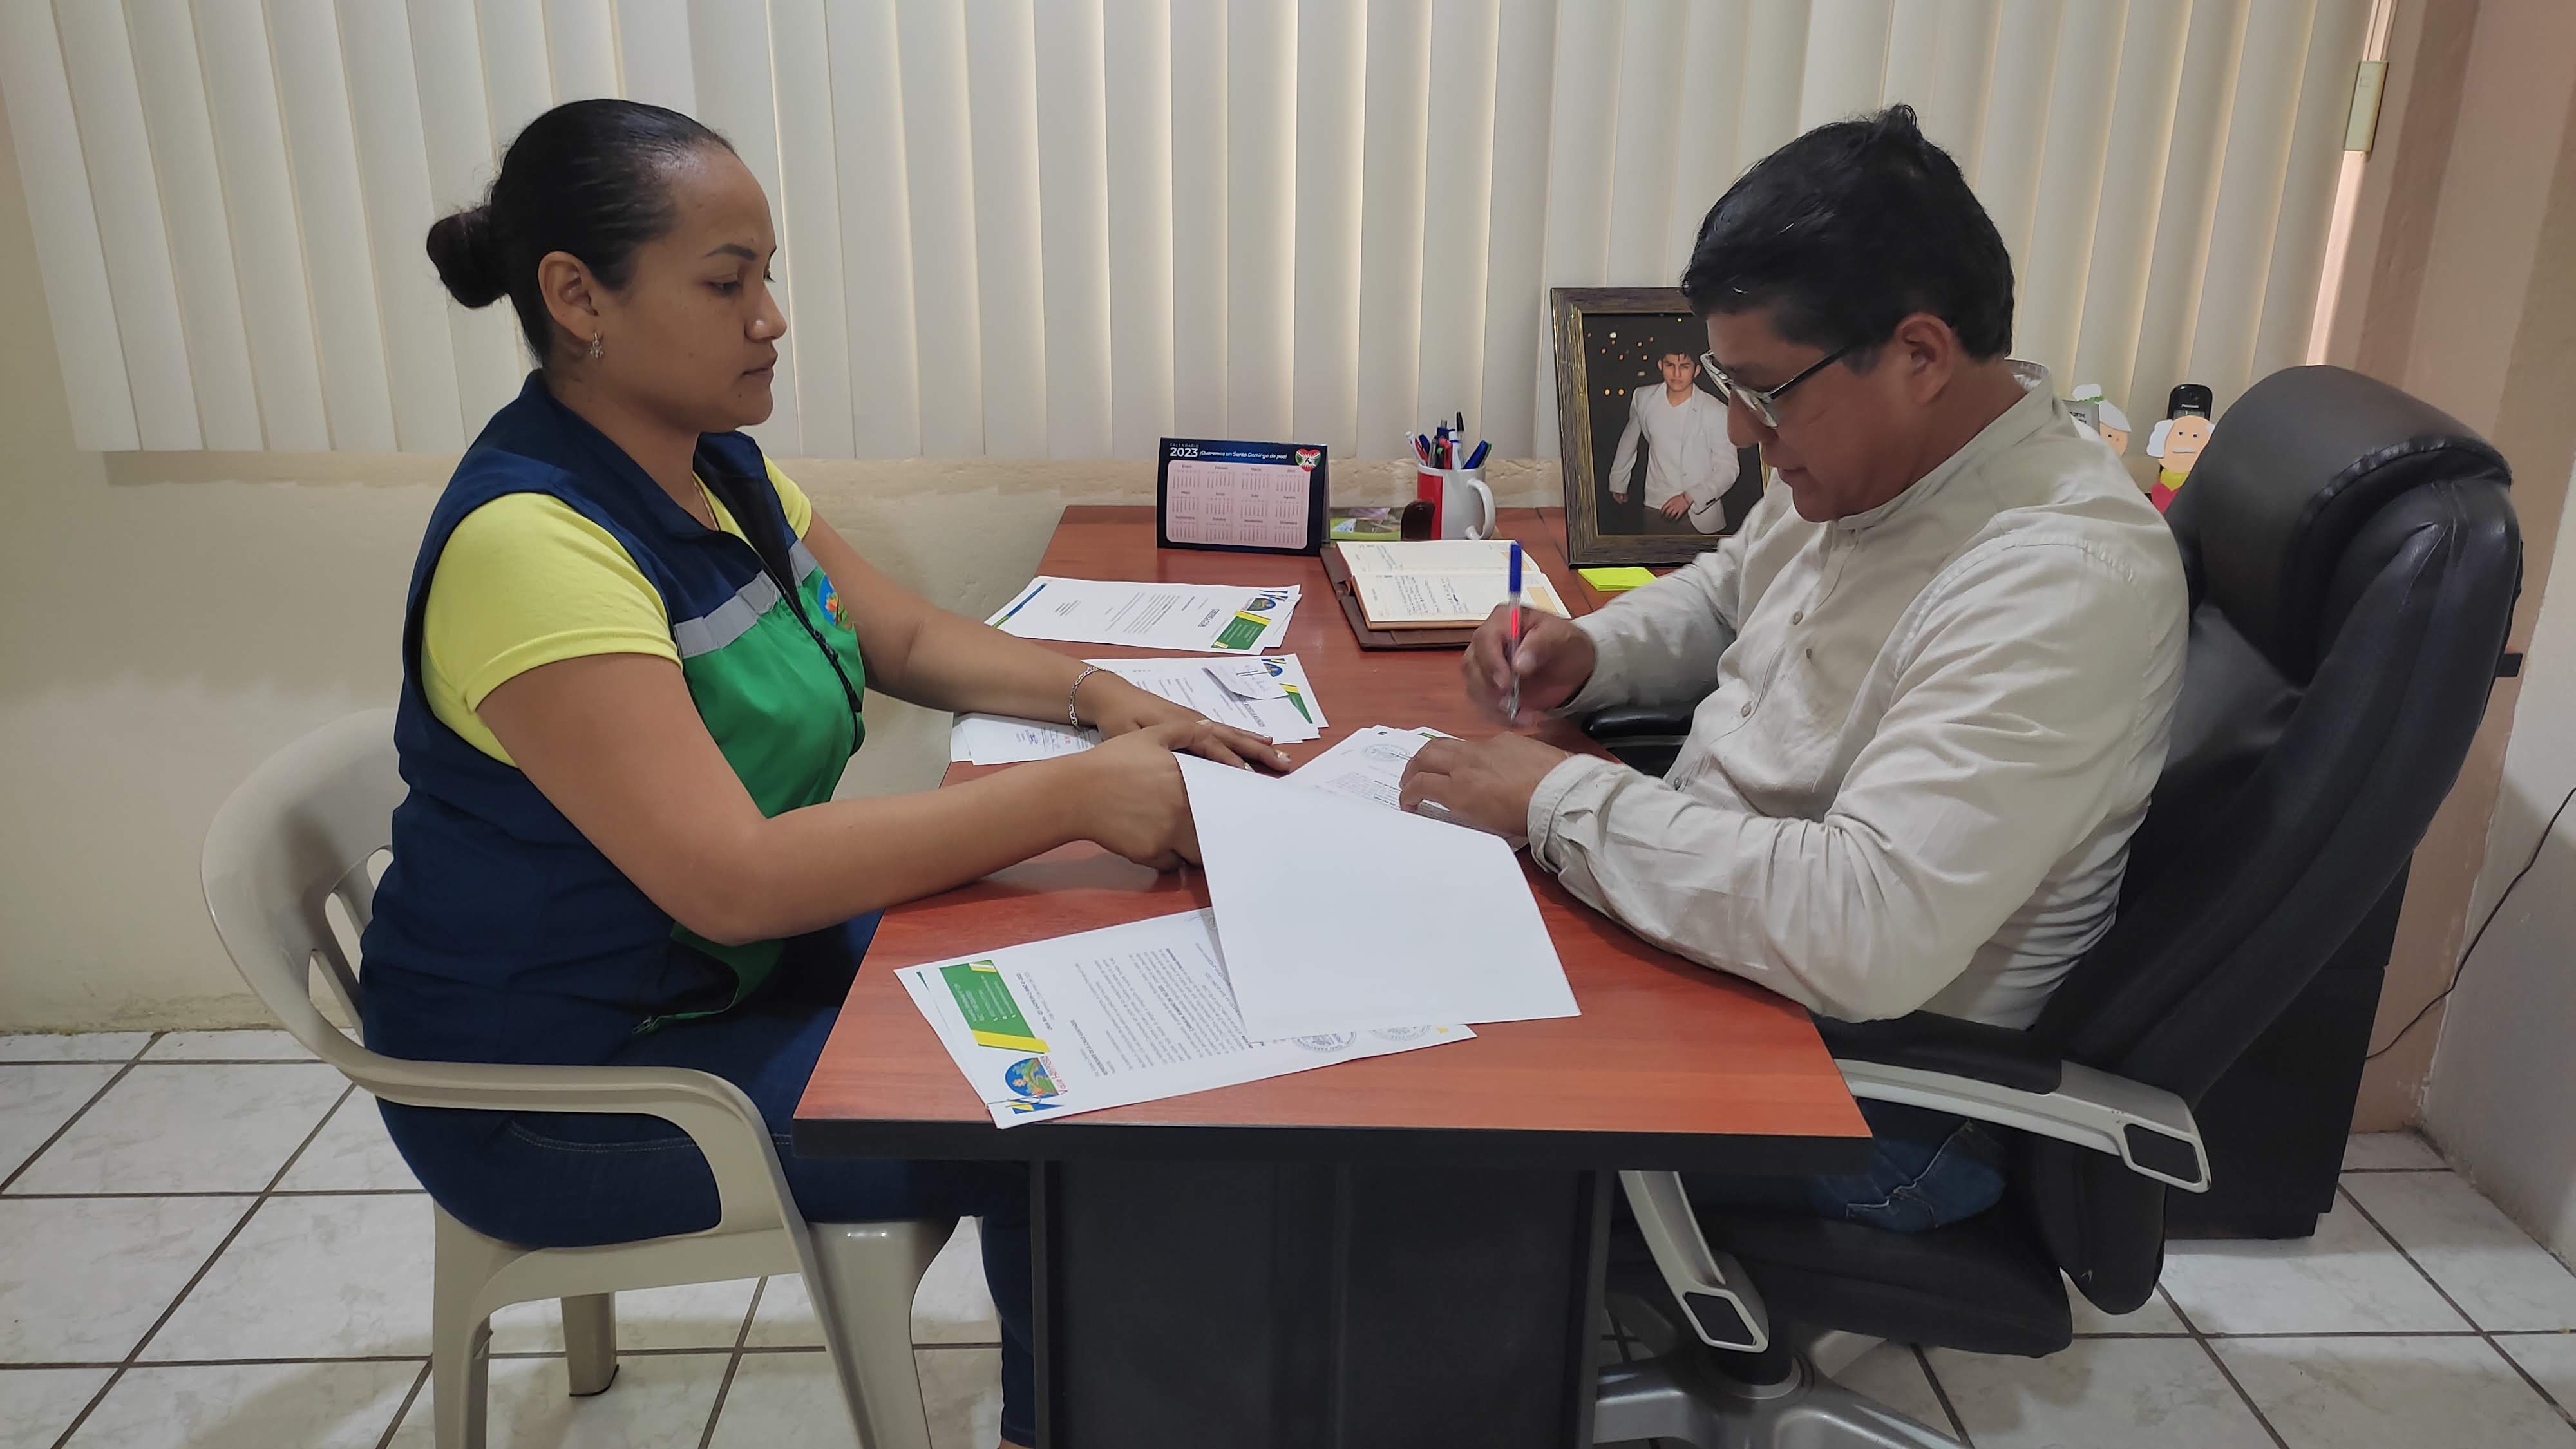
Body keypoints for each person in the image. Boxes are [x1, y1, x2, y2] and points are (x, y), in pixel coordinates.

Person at [366, 100, 1278, 1449]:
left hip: (706, 973)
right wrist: (1078, 793)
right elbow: (734, 881)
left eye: (768, 275)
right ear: (578, 297)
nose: (771, 318)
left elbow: (898, 635)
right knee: (1065, 1122)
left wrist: (1103, 697)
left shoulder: (711, 465)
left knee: (1067, 947)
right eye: (725, 283)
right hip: (567, 1082)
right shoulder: (532, 545)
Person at [1400, 106, 2188, 1233]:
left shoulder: (2062, 579)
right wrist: (1594, 653)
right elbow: (1736, 590)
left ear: (1920, 355)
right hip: (1729, 956)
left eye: (1765, 392)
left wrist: (1556, 797)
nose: (1739, 435)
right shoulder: (1870, 459)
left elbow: (1864, 931)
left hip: (1871, 1090)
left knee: (1415, 1131)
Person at [1604, 350, 1756, 535]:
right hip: (1656, 507)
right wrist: (1619, 480)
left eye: (1684, 367)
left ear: (1696, 370)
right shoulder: (1643, 398)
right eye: (1670, 365)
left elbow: (1728, 469)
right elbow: (1629, 438)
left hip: (1701, 515)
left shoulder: (1716, 411)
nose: (1676, 374)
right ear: (1660, 365)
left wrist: (1689, 497)